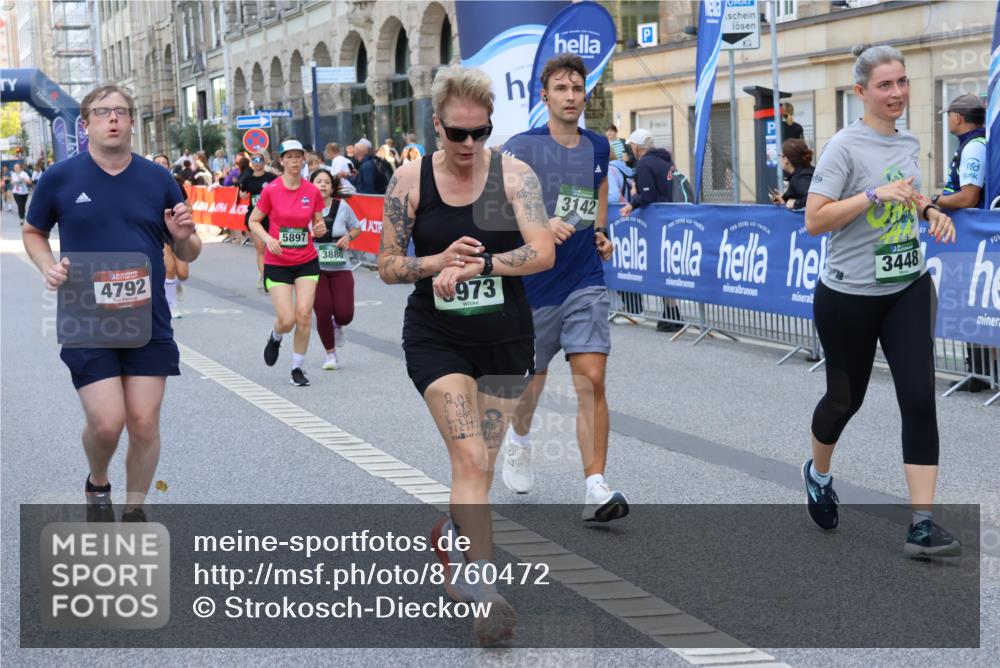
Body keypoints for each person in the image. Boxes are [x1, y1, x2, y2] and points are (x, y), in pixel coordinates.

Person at [377, 64, 554, 645]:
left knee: (478, 467)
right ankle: (486, 593)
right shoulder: (409, 182)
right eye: (458, 134)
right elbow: (387, 265)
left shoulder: (515, 176)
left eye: (481, 132)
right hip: (438, 338)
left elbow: (543, 251)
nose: (470, 145)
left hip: (506, 337)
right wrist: (437, 264)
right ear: (437, 127)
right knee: (473, 460)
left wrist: (483, 265)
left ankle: (451, 535)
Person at [804, 44, 959, 557]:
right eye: (885, 85)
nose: (897, 93)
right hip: (849, 294)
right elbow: (815, 220)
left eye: (902, 82)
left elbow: (908, 194)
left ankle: (921, 523)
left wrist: (931, 210)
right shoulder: (843, 147)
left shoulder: (910, 140)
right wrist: (873, 196)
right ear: (861, 92)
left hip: (908, 287)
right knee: (845, 401)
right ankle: (818, 472)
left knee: (918, 398)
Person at [22, 84, 201, 522]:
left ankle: (135, 509)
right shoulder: (60, 178)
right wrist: (47, 265)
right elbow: (33, 232)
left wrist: (183, 238)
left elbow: (189, 251)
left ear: (132, 123)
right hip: (86, 317)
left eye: (121, 111)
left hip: (147, 318)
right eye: (103, 112)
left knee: (143, 422)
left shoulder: (158, 179)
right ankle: (98, 480)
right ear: (86, 125)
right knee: (107, 422)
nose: (113, 119)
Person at [500, 54, 626, 522]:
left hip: (582, 278)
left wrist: (600, 231)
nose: (570, 96)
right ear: (545, 95)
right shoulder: (519, 147)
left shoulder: (597, 146)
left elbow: (597, 194)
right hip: (532, 286)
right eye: (561, 88)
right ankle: (519, 440)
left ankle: (595, 486)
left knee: (591, 378)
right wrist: (537, 226)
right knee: (530, 382)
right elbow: (493, 209)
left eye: (577, 88)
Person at [248, 139, 327, 387]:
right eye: (289, 157)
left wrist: (320, 228)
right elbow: (254, 221)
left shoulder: (312, 191)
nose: (294, 161)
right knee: (287, 319)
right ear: (281, 161)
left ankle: (296, 367)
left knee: (303, 314)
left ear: (304, 160)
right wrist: (268, 238)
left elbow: (317, 224)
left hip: (306, 260)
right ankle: (275, 336)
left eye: (298, 156)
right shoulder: (271, 190)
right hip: (278, 261)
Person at [932, 93, 990, 392]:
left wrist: (932, 200)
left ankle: (981, 374)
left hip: (973, 236)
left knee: (976, 302)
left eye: (949, 115)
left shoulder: (974, 147)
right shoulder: (974, 144)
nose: (948, 119)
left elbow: (968, 196)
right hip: (973, 235)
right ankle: (979, 372)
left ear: (958, 118)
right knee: (974, 302)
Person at [619, 128, 680, 333]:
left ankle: (672, 316)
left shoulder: (645, 163)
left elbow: (647, 195)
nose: (631, 149)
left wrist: (632, 202)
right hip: (672, 218)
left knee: (661, 268)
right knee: (668, 268)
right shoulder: (666, 161)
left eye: (632, 146)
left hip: (657, 223)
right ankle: (672, 313)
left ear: (637, 146)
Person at [309, 168, 361, 370]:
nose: (322, 185)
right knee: (323, 311)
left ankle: (339, 324)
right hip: (313, 266)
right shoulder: (304, 207)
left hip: (340, 266)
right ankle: (330, 355)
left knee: (344, 314)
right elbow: (293, 231)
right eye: (318, 181)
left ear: (332, 188)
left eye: (326, 182)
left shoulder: (342, 207)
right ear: (311, 185)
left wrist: (348, 237)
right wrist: (311, 234)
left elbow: (357, 227)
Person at [239, 152, 278, 288]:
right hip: (254, 217)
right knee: (261, 247)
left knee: (271, 247)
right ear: (251, 163)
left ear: (264, 161)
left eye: (259, 160)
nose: (256, 162)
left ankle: (272, 272)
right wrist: (242, 194)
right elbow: (242, 195)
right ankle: (265, 278)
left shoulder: (271, 178)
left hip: (271, 216)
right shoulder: (247, 180)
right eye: (254, 160)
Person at [770, 138, 814, 210]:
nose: (780, 159)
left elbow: (813, 199)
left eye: (781, 156)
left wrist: (794, 203)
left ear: (786, 159)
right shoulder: (806, 171)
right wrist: (784, 198)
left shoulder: (800, 178)